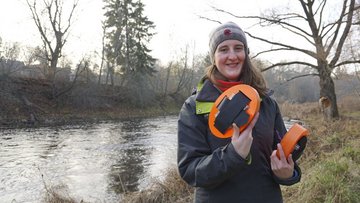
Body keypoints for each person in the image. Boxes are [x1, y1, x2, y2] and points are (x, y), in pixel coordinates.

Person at [177, 21, 302, 203]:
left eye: (238, 48)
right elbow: (190, 171)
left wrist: (288, 173)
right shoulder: (194, 107)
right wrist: (233, 155)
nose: (232, 56)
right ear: (214, 57)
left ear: (246, 53)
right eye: (223, 49)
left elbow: (282, 153)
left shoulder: (267, 102)